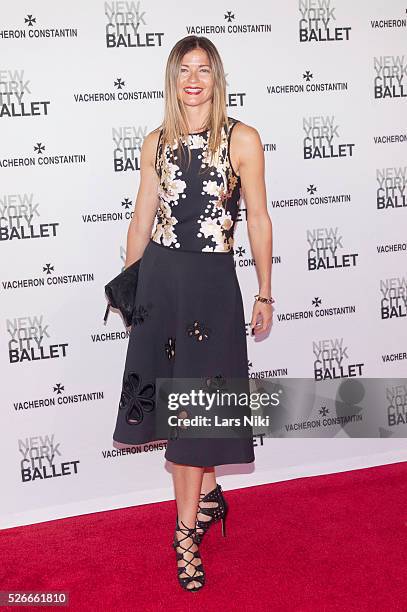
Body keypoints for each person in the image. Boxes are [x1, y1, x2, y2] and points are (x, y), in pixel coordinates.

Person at [112, 35, 273, 591]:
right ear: (172, 78)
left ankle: (190, 524)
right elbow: (140, 217)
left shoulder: (242, 139)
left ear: (217, 77)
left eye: (204, 69)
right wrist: (129, 288)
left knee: (199, 407)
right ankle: (197, 512)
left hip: (211, 286)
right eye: (184, 70)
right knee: (182, 410)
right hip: (161, 284)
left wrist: (265, 291)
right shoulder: (155, 141)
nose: (194, 79)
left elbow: (258, 219)